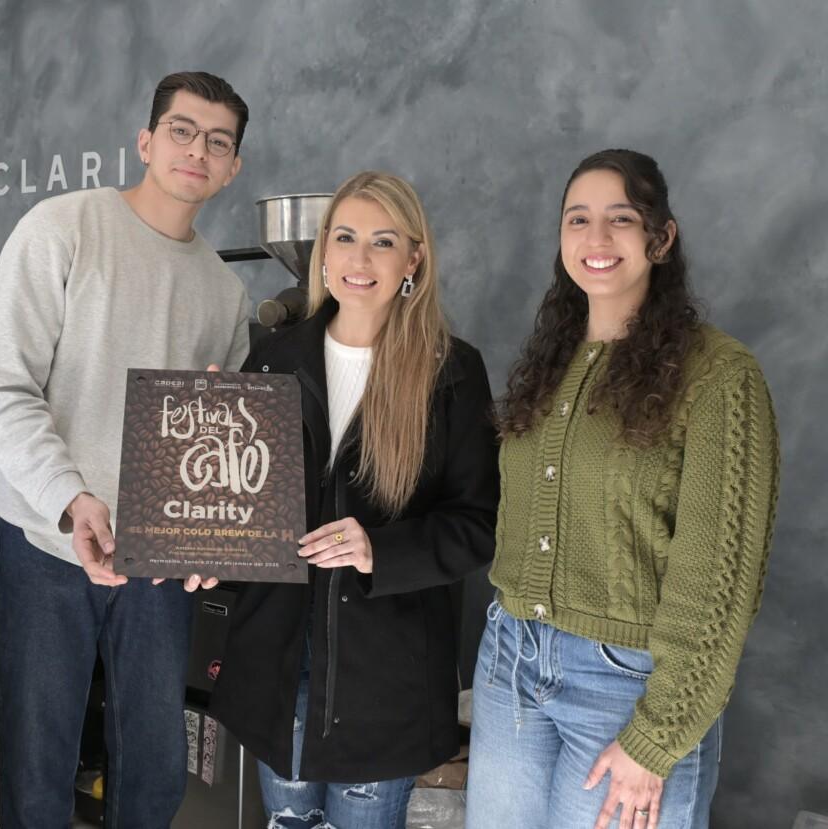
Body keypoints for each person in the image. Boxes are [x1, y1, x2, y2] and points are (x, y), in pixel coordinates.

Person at [465, 149, 780, 829]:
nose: (596, 237)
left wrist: (657, 736)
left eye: (622, 218)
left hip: (627, 682)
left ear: (661, 238)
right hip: (511, 664)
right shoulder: (551, 362)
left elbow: (718, 581)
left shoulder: (719, 375)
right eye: (578, 219)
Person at [0, 71, 252, 828]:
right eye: (182, 131)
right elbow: (3, 391)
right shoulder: (61, 228)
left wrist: (210, 533)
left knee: (155, 770)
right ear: (147, 141)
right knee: (37, 766)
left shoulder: (225, 293)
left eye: (217, 142)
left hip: (158, 567)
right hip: (45, 540)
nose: (197, 150)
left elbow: (218, 445)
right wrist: (72, 499)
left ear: (232, 167)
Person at [205, 171, 500, 828]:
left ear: (412, 259)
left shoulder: (451, 371)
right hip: (280, 669)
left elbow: (478, 524)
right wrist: (208, 551)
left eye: (382, 241)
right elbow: (247, 513)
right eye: (344, 237)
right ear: (323, 253)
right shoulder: (273, 360)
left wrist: (379, 550)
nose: (359, 259)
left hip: (384, 683)